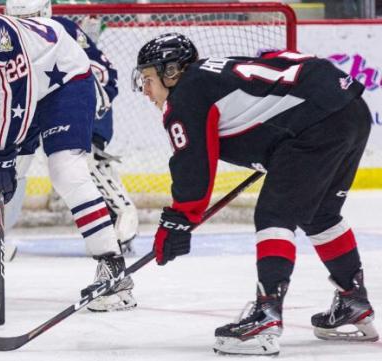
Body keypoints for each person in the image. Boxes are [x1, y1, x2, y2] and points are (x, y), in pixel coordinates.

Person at [132, 33, 378, 355]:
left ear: (172, 72)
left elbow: (192, 166)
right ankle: (353, 301)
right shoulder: (211, 76)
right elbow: (282, 68)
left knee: (274, 215)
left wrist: (177, 221)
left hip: (317, 121)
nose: (145, 91)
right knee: (321, 214)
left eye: (149, 79)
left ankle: (267, 315)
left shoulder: (186, 96)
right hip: (350, 109)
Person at [0, 0, 136, 311]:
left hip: (64, 85)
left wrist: (2, 154)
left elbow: (17, 103)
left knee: (67, 169)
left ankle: (113, 268)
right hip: (17, 97)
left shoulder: (0, 41)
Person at [5, 0, 139, 251]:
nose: (28, 26)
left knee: (83, 159)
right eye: (20, 19)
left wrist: (89, 98)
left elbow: (103, 71)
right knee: (4, 160)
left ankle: (120, 215)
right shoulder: (4, 37)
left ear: (45, 12)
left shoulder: (64, 29)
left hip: (71, 104)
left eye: (34, 17)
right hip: (27, 109)